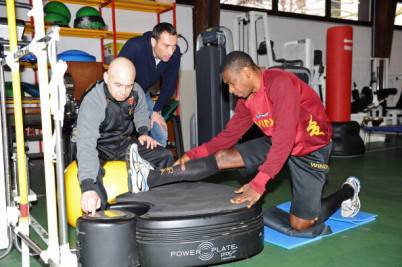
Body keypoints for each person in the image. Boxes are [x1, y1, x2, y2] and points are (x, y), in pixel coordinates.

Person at [127, 51, 361, 231]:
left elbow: (286, 137)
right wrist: (194, 153)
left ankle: (347, 191)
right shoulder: (247, 101)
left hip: (310, 149)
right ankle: (149, 178)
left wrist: (258, 184)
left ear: (248, 72)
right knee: (222, 156)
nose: (230, 90)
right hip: (278, 141)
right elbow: (228, 136)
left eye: (231, 83)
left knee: (301, 225)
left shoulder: (280, 84)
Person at [77, 57, 173, 215]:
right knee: (94, 182)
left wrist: (143, 132)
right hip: (98, 146)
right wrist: (88, 187)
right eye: (118, 85)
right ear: (106, 78)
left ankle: (160, 210)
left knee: (165, 156)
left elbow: (141, 110)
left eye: (128, 85)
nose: (124, 91)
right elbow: (86, 144)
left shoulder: (135, 90)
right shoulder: (94, 100)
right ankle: (103, 221)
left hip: (123, 143)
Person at [119, 22, 181, 147]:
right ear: (153, 42)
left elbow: (169, 84)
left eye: (173, 46)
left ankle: (158, 163)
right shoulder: (135, 46)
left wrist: (156, 111)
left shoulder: (174, 54)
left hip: (142, 92)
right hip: (123, 91)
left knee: (160, 130)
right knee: (121, 131)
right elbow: (118, 75)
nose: (170, 51)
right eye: (166, 46)